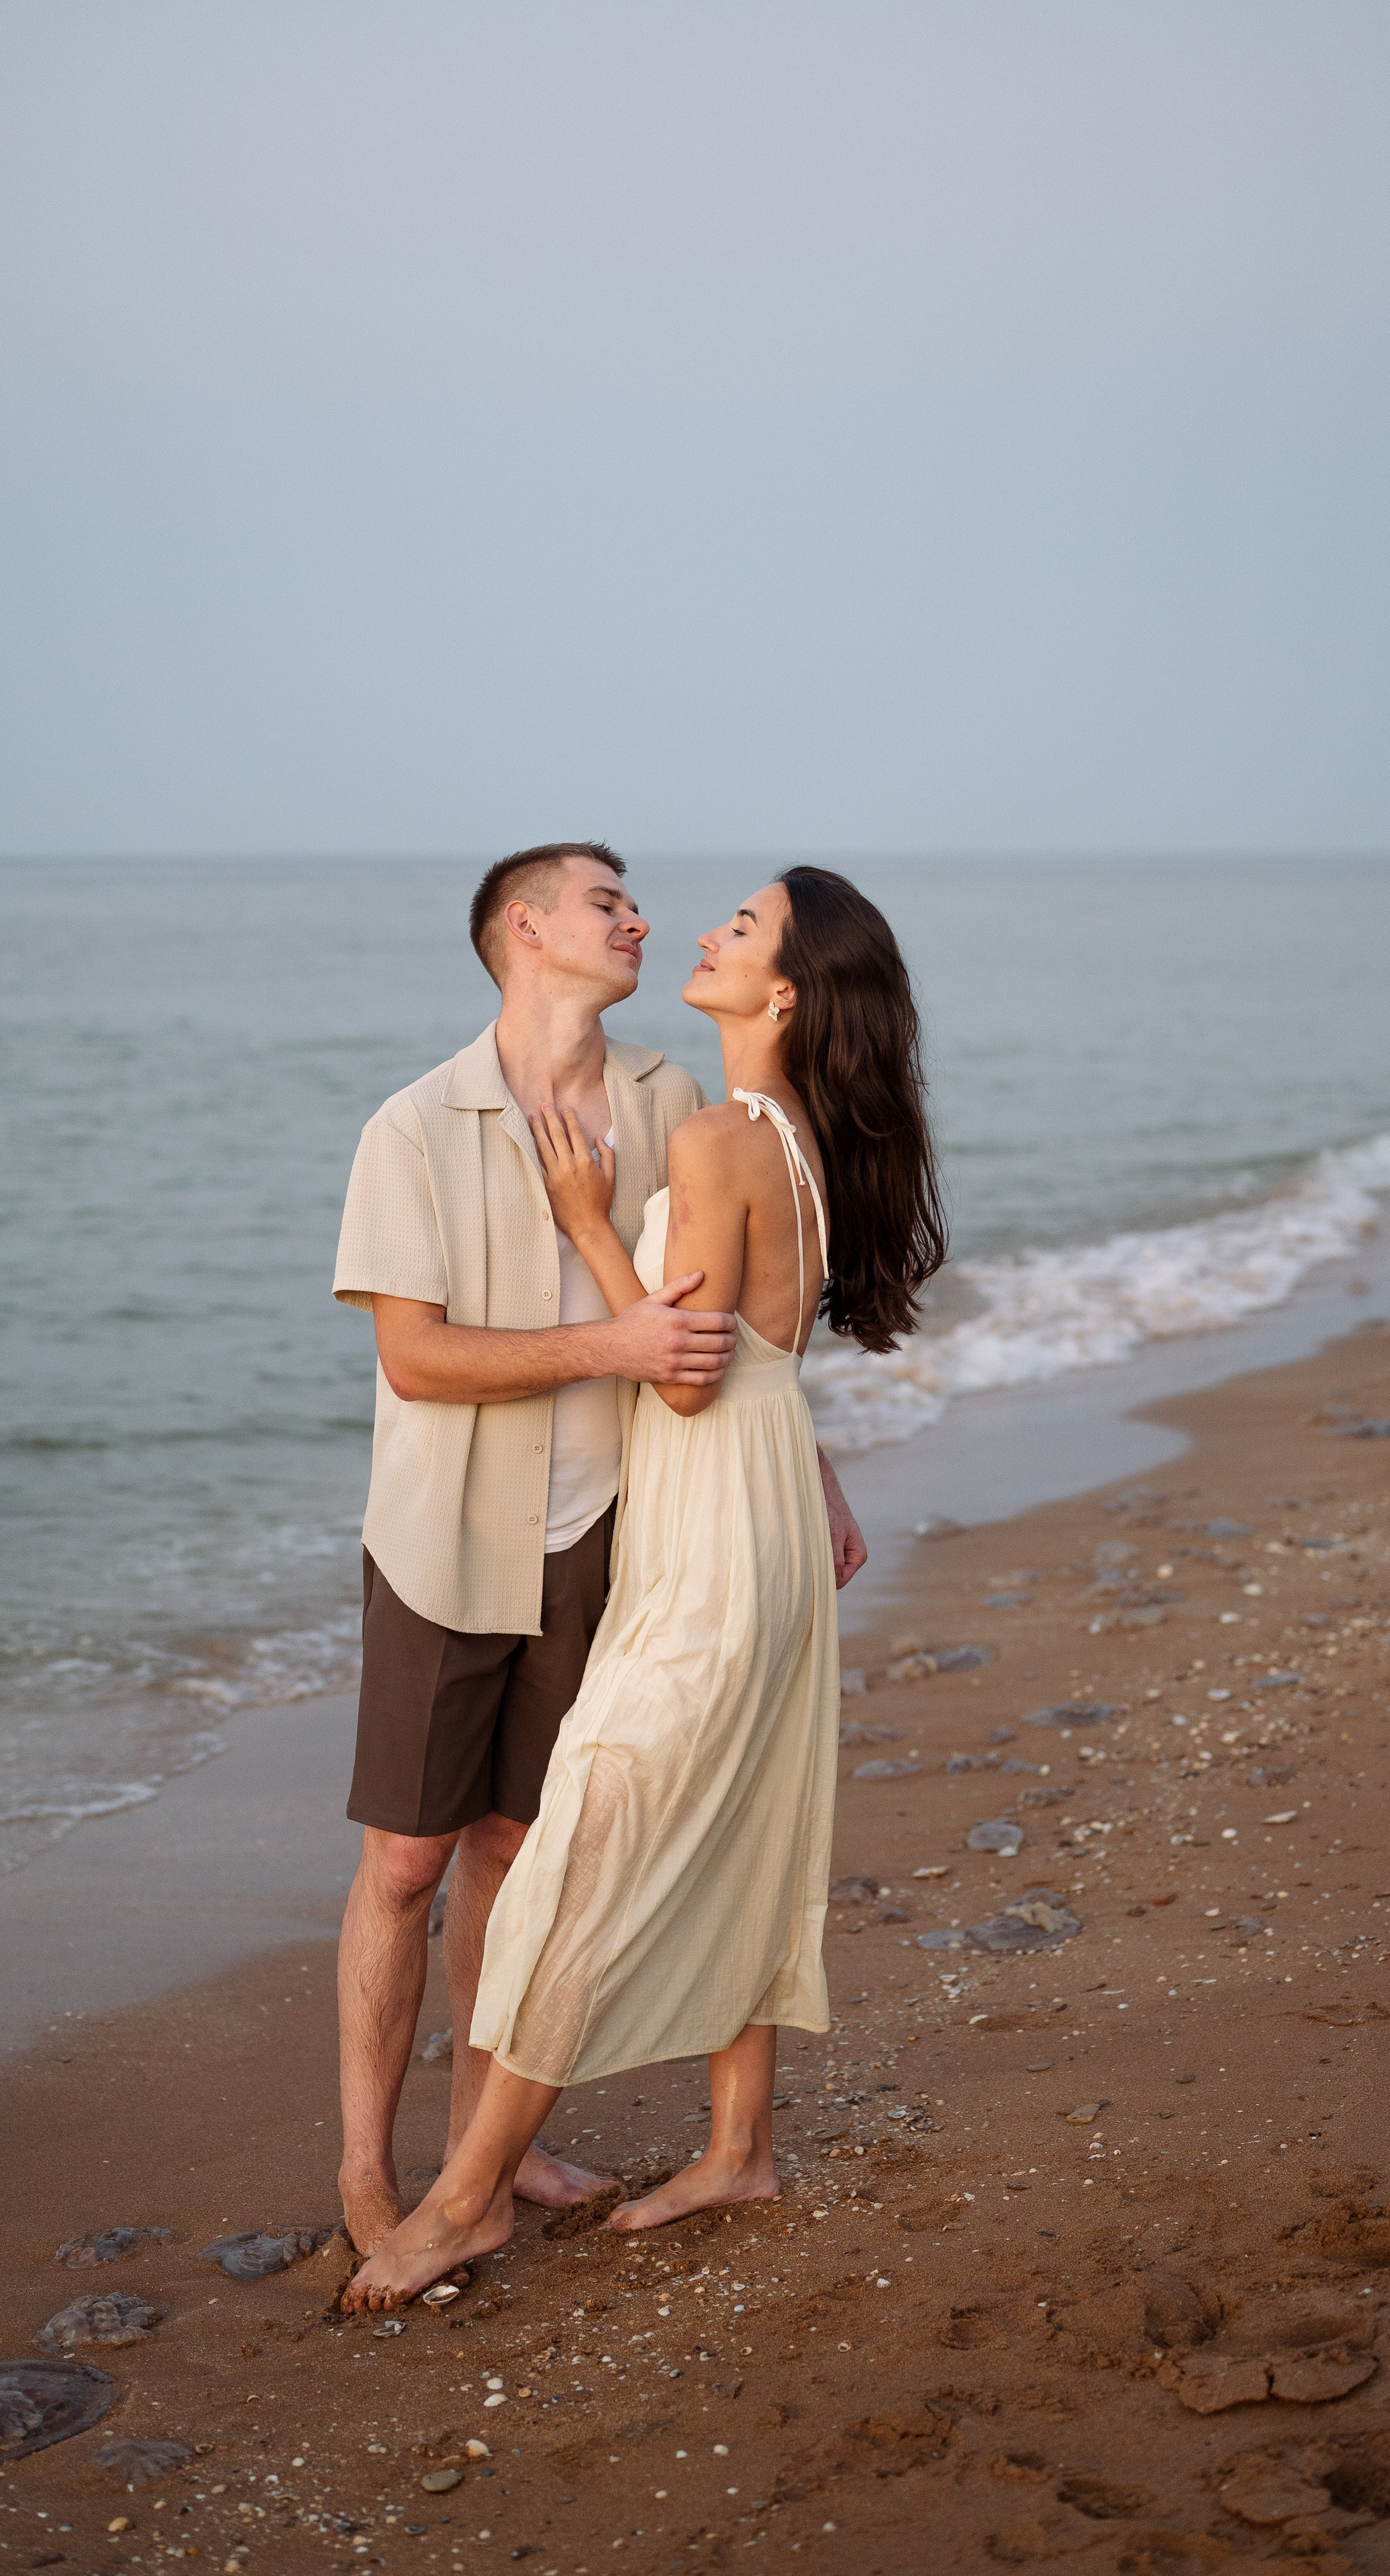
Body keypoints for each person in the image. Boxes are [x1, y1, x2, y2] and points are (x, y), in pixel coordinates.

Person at [341, 864, 942, 2309]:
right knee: (692, 1819)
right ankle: (713, 2147)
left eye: (729, 927)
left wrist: (590, 1220)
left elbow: (693, 1360)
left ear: (783, 991)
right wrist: (802, 1465)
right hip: (605, 1523)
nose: (668, 926)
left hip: (677, 1525)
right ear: (521, 932)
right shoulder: (430, 1126)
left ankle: (469, 2190)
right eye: (610, 901)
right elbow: (740, 1344)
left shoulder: (705, 1115)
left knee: (566, 1855)